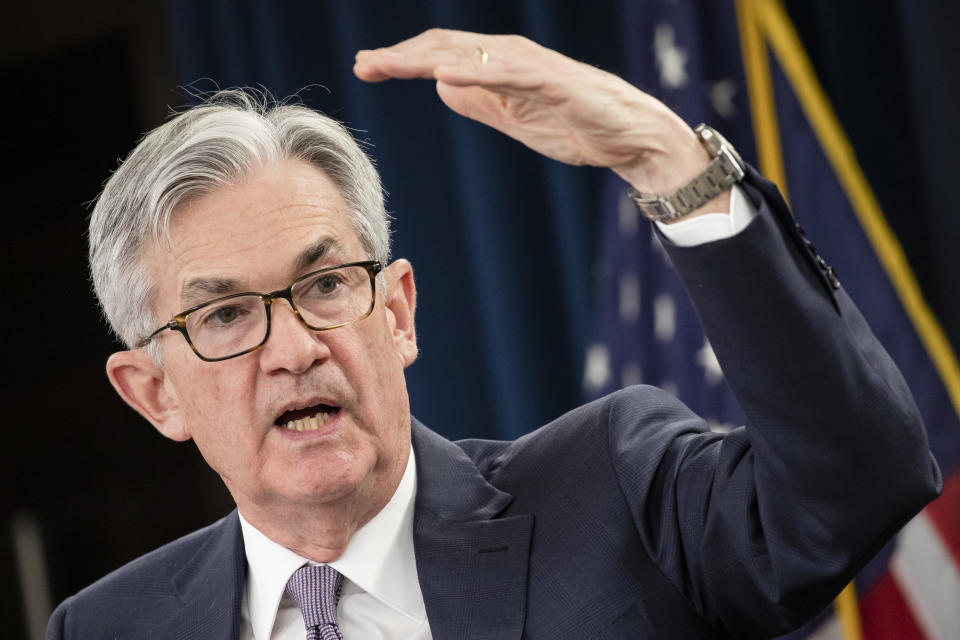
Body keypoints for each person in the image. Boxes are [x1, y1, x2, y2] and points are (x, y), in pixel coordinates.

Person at [47, 29, 939, 640]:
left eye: (324, 285)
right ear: (155, 390)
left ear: (396, 312)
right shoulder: (105, 627)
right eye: (226, 316)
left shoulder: (613, 492)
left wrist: (669, 163)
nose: (293, 348)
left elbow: (859, 481)